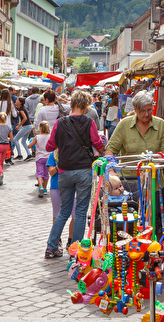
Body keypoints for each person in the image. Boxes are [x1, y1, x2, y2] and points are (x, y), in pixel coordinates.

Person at [45, 90, 104, 259]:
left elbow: (50, 146)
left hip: (64, 171)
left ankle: (51, 247)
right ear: (86, 106)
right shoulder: (89, 123)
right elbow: (97, 143)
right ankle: (76, 251)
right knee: (79, 212)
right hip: (84, 170)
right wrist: (102, 150)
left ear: (70, 105)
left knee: (64, 211)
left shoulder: (60, 123)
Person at [105, 90, 164, 233]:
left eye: (149, 110)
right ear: (135, 110)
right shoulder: (124, 125)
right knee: (130, 221)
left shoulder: (161, 125)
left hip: (154, 183)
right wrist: (111, 172)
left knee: (153, 223)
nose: (147, 114)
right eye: (142, 111)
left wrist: (153, 167)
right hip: (129, 182)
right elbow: (111, 149)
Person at [47, 149, 75, 251]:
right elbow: (51, 172)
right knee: (57, 214)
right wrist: (59, 165)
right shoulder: (53, 155)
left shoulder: (73, 152)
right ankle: (57, 240)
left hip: (71, 187)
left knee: (75, 214)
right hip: (56, 187)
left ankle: (71, 240)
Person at [27, 121, 50, 197]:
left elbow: (29, 146)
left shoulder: (37, 137)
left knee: (39, 173)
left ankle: (40, 187)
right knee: (46, 173)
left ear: (40, 128)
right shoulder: (50, 137)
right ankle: (45, 189)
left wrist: (33, 144)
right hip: (48, 158)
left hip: (39, 158)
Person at [0, 89, 18, 165]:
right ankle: (8, 159)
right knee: (8, 142)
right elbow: (15, 115)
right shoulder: (10, 103)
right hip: (8, 125)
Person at [13, 97, 34, 161]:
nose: (16, 101)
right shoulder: (21, 109)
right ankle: (29, 154)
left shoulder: (22, 109)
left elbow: (25, 118)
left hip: (26, 126)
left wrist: (18, 126)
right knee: (23, 141)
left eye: (17, 100)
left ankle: (20, 155)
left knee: (15, 139)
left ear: (20, 102)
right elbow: (19, 113)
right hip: (29, 126)